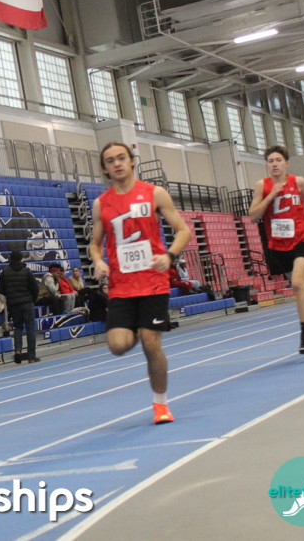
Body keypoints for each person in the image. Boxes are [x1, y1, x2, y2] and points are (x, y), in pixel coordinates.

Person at [90, 142, 190, 426]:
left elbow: (183, 230)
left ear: (132, 161)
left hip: (153, 281)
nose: (117, 163)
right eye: (110, 160)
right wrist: (98, 261)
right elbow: (95, 244)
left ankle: (160, 404)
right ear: (105, 168)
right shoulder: (101, 204)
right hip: (121, 286)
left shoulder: (154, 193)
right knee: (117, 346)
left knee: (150, 341)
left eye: (121, 158)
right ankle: (134, 325)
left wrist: (169, 256)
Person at [247, 145, 304, 354]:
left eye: (278, 160)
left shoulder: (298, 181)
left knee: (298, 283)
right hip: (278, 243)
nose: (274, 164)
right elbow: (253, 216)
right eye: (270, 161)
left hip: (301, 239)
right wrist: (271, 195)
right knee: (300, 286)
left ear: (286, 163)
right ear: (267, 164)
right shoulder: (262, 186)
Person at [0, 250, 41, 364]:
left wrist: (10, 297)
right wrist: (32, 299)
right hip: (27, 302)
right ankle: (31, 356)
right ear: (21, 259)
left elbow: (1, 289)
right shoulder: (26, 271)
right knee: (30, 329)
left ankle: (18, 350)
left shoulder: (5, 272)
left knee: (17, 327)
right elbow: (35, 288)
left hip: (13, 304)